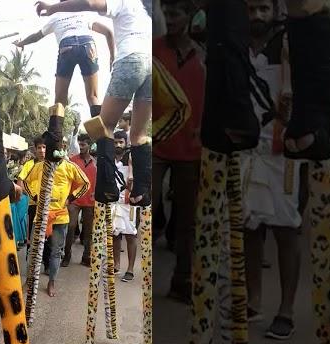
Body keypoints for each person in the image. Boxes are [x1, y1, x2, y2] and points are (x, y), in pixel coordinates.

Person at [36, 0, 153, 207]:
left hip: (131, 61)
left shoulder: (125, 2)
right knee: (139, 135)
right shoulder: (149, 11)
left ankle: (106, 186)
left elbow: (89, 3)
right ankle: (141, 193)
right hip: (153, 65)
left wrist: (53, 8)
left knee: (104, 125)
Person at [241, 0, 307, 340]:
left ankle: (286, 310)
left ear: (275, 10)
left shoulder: (288, 43)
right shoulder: (234, 41)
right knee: (251, 227)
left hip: (284, 152)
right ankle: (253, 300)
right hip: (249, 152)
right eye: (252, 9)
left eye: (263, 8)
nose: (257, 16)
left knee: (286, 230)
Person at [152, 0, 205, 303]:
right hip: (158, 144)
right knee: (151, 205)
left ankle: (182, 280)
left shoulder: (202, 56)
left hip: (191, 147)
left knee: (187, 220)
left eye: (176, 14)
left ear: (188, 16)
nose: (170, 20)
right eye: (167, 14)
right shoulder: (153, 50)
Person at [14, 9, 114, 117]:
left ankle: (55, 132)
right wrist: (112, 56)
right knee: (93, 96)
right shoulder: (83, 14)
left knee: (60, 99)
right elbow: (108, 32)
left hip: (67, 46)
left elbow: (37, 36)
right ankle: (100, 132)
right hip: (88, 45)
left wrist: (21, 43)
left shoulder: (56, 17)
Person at [23, 152, 90, 297]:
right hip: (41, 215)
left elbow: (86, 184)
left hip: (60, 217)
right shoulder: (39, 166)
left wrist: (71, 198)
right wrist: (35, 197)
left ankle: (51, 281)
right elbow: (26, 182)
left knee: (56, 251)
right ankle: (30, 280)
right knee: (33, 250)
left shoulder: (69, 166)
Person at [63, 133, 96, 267]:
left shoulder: (95, 162)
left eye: (83, 145)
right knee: (70, 227)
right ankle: (67, 255)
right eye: (80, 144)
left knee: (88, 230)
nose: (81, 147)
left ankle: (86, 256)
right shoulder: (72, 160)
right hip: (74, 200)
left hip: (90, 201)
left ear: (89, 145)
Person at [112, 130, 138, 280]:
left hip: (129, 202)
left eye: (121, 142)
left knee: (130, 234)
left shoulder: (132, 157)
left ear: (126, 143)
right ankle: (116, 265)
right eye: (115, 142)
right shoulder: (109, 158)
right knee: (115, 234)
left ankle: (130, 269)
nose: (118, 145)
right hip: (114, 201)